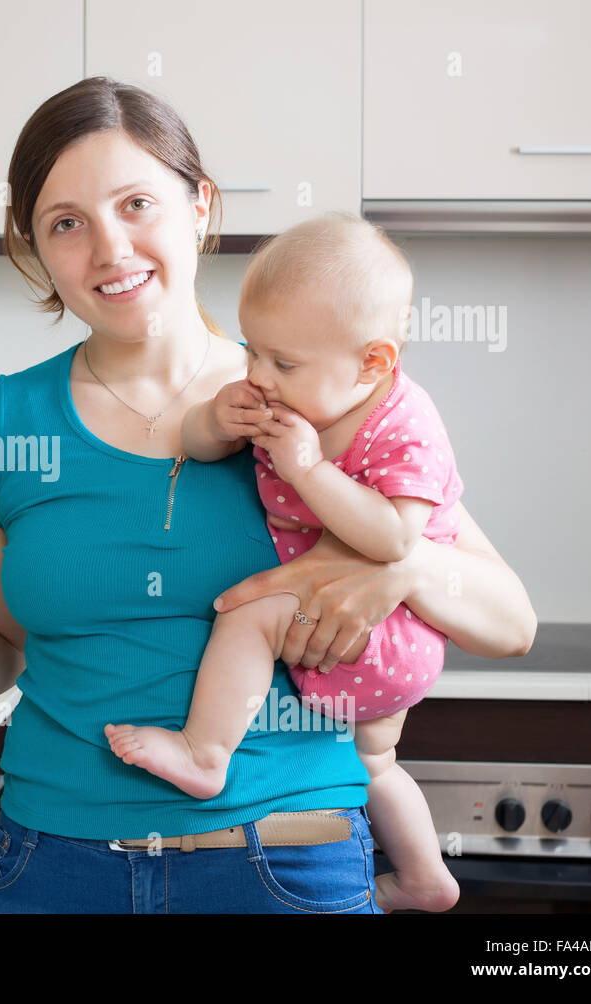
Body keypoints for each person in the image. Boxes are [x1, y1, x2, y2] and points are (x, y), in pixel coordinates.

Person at [0, 77, 536, 914]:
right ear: (34, 247)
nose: (111, 250)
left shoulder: (320, 402)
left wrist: (399, 570)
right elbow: (0, 634)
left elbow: (511, 621)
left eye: (136, 203)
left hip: (285, 867)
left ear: (202, 205)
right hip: (55, 867)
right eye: (66, 223)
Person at [106, 211, 469, 913]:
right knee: (375, 763)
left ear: (374, 362)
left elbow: (398, 539)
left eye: (284, 363)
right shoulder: (297, 397)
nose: (261, 378)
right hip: (369, 643)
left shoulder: (404, 422)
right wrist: (216, 421)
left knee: (249, 614)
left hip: (387, 633)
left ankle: (204, 754)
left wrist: (308, 469)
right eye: (252, 353)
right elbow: (198, 444)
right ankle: (427, 878)